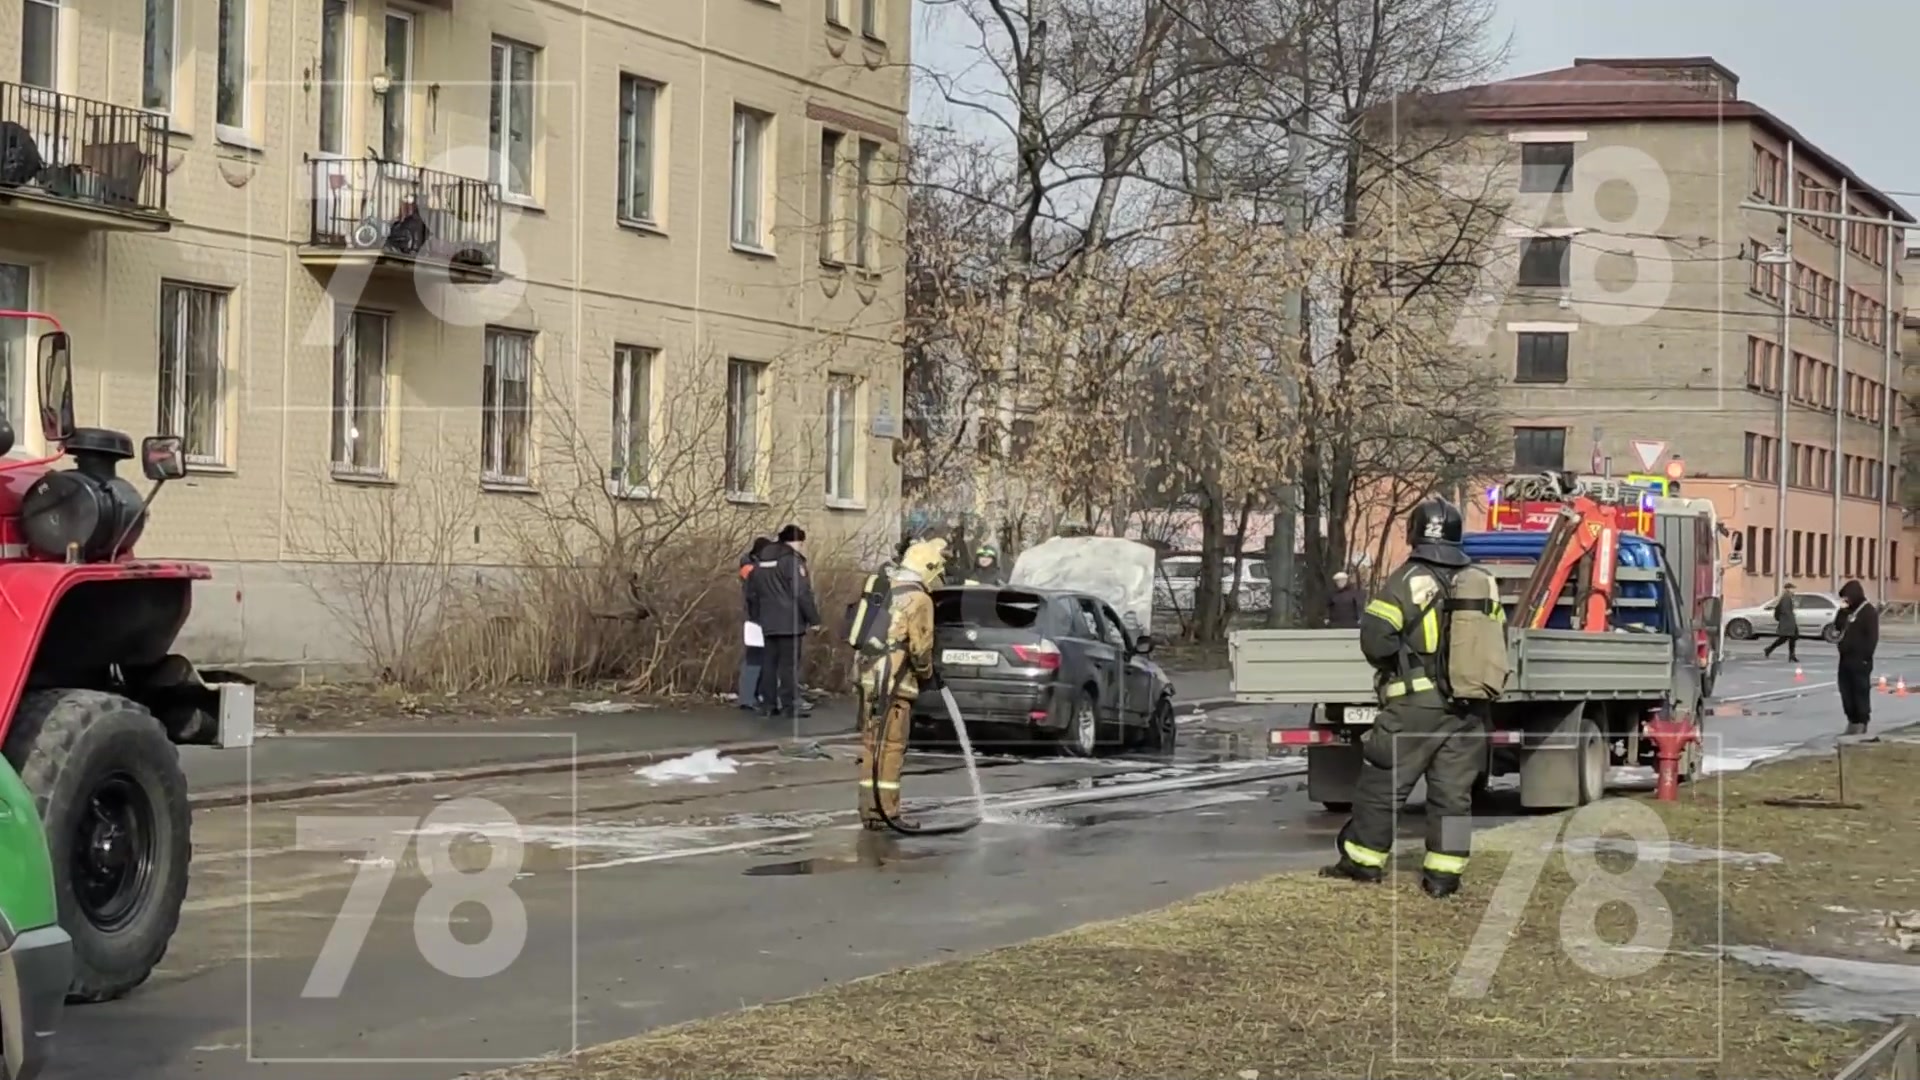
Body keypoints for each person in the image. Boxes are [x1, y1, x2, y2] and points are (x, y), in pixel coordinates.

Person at [1322, 496, 1483, 899]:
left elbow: (1375, 640)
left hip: (1416, 706)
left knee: (1383, 782)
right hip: (1469, 707)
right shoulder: (1482, 579)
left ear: (1414, 534)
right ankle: (1444, 877)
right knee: (1453, 795)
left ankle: (1363, 862)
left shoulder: (1408, 580)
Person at [853, 538, 947, 829]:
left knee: (872, 745)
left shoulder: (887, 587)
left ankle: (870, 810)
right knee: (892, 746)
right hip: (895, 683)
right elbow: (920, 647)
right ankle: (888, 812)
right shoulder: (919, 599)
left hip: (869, 677)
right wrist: (927, 674)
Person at [746, 524, 821, 720]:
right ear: (795, 541)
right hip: (790, 621)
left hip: (768, 620)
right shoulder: (791, 561)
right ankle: (790, 705)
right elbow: (801, 592)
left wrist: (757, 615)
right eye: (801, 543)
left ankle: (768, 704)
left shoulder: (761, 560)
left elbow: (752, 591)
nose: (802, 547)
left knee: (769, 663)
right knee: (788, 666)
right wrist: (813, 619)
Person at [1835, 578, 1878, 736]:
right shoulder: (1848, 611)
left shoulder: (1868, 612)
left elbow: (1872, 637)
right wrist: (1841, 611)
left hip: (1860, 660)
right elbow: (1837, 627)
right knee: (1846, 690)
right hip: (1845, 658)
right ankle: (1851, 720)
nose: (1845, 600)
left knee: (1860, 690)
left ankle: (1861, 721)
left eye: (1847, 597)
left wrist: (1866, 657)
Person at [736, 537, 774, 711]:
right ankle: (748, 697)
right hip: (756, 618)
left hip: (759, 617)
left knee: (760, 657)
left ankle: (753, 696)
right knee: (755, 658)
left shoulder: (752, 565)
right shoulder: (751, 568)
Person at [1762, 583, 1799, 662]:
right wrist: (1790, 619)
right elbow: (1785, 610)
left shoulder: (1788, 597)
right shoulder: (1786, 597)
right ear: (1787, 589)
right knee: (1786, 638)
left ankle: (1791, 655)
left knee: (1789, 638)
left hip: (1789, 621)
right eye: (1793, 588)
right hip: (1787, 622)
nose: (1794, 590)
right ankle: (1770, 650)